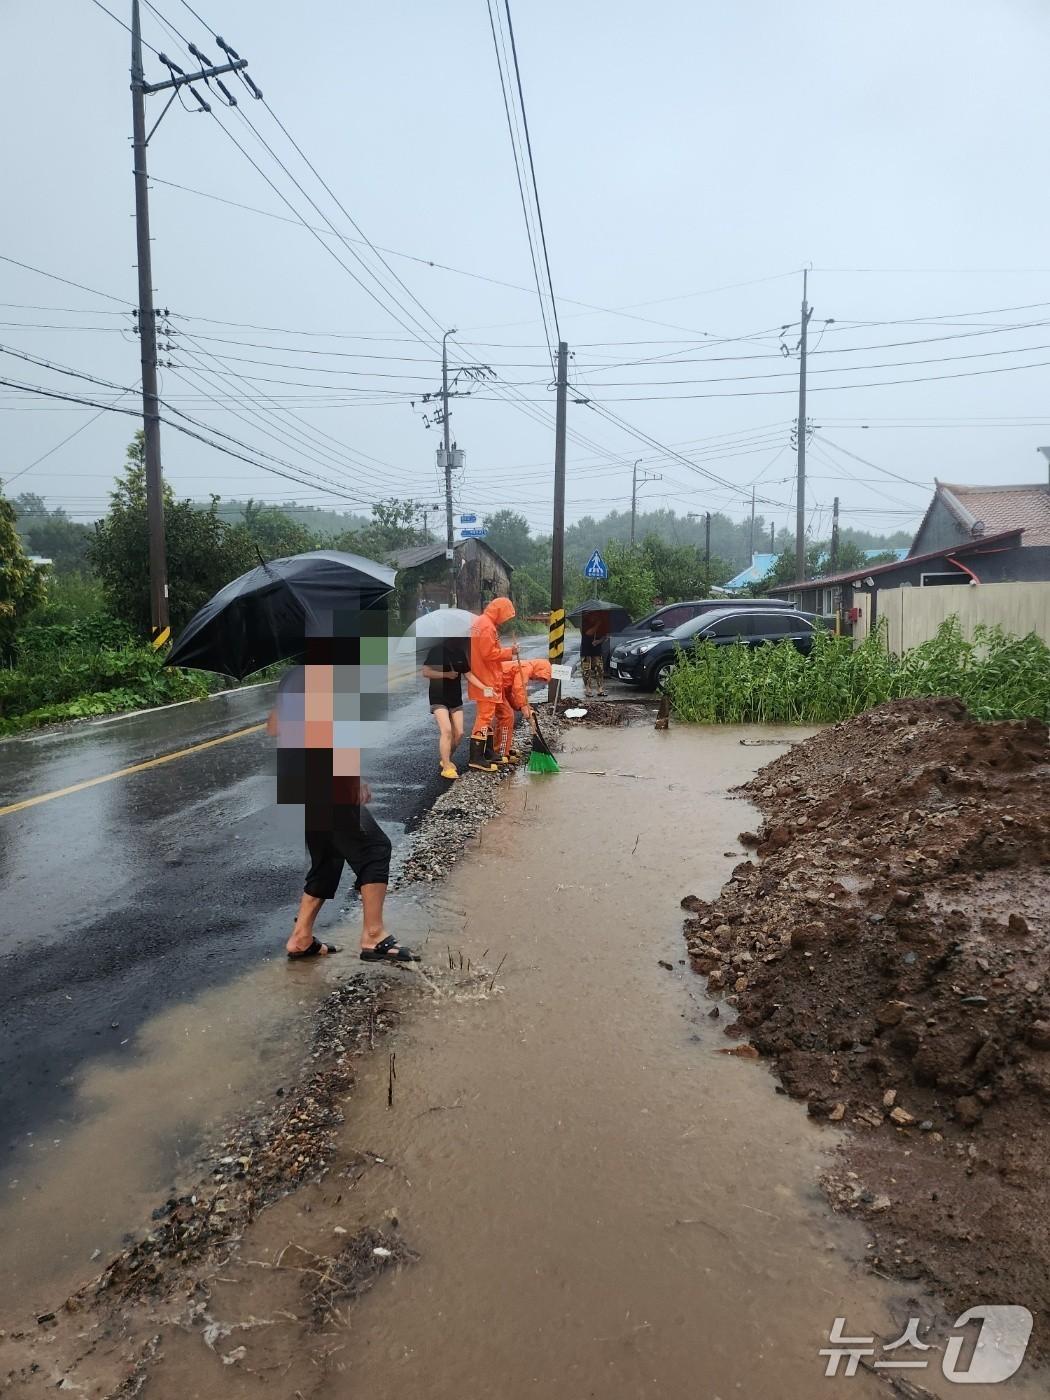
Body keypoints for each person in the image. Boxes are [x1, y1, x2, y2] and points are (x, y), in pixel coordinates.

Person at [268, 635, 419, 965]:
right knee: (374, 848)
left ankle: (301, 937)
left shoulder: (295, 675)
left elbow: (274, 726)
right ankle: (374, 936)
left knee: (328, 857)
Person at [468, 596, 517, 771]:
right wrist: (509, 652)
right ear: (499, 611)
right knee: (484, 717)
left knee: (487, 716)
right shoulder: (487, 626)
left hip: (485, 677)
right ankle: (476, 757)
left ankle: (487, 753)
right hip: (486, 679)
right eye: (505, 615)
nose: (505, 620)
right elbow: (488, 653)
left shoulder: (481, 623)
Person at [421, 638, 479, 780]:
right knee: (446, 730)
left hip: (455, 698)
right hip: (438, 697)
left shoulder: (460, 653)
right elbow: (426, 672)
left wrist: (484, 687)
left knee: (459, 733)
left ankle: (446, 758)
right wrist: (445, 675)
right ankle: (446, 767)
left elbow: (468, 674)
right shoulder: (436, 651)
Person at [496, 656, 552, 762]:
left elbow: (508, 690)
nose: (536, 680)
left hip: (499, 687)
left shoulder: (524, 666)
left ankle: (502, 749)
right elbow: (519, 688)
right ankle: (502, 752)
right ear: (540, 669)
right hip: (493, 685)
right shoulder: (526, 667)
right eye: (540, 677)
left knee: (505, 717)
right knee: (507, 717)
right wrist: (524, 706)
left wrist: (517, 706)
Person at [579, 607, 609, 698]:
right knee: (586, 669)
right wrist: (597, 624)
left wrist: (599, 641)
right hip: (586, 648)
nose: (594, 615)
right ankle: (588, 689)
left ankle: (600, 688)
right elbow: (588, 633)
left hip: (597, 648)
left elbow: (605, 636)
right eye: (593, 614)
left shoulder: (602, 623)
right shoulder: (584, 622)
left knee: (599, 668)